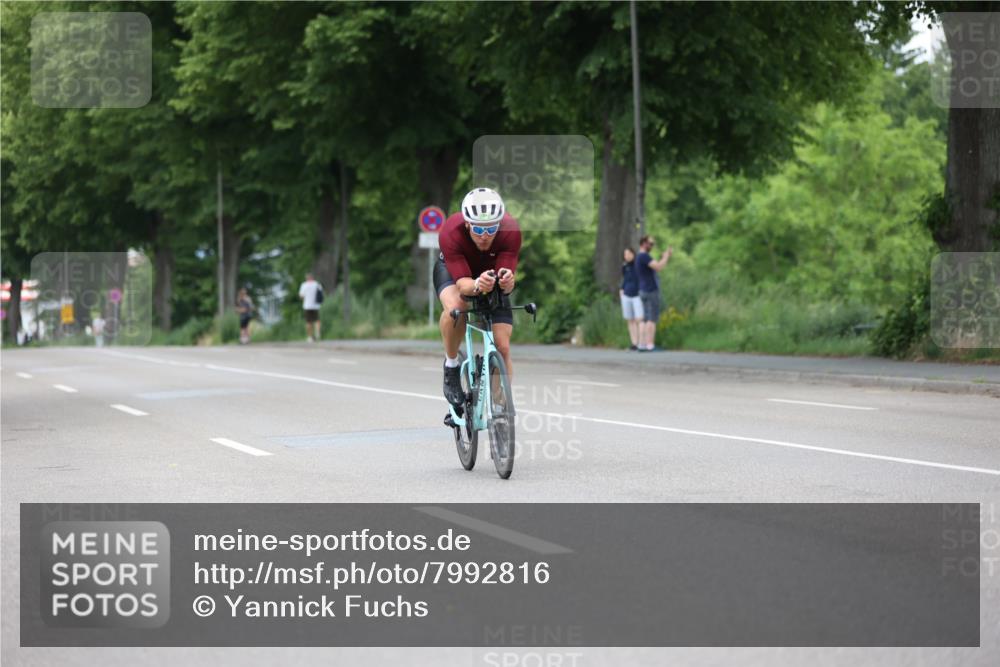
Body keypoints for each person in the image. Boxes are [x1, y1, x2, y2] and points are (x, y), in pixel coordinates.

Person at [435, 187, 521, 406]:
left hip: (490, 275)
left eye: (491, 228)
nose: (484, 236)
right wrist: (476, 284)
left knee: (503, 346)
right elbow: (463, 285)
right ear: (467, 224)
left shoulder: (510, 231)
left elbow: (507, 284)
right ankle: (452, 364)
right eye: (478, 229)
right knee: (457, 307)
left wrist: (508, 282)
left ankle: (500, 407)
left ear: (499, 224)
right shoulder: (450, 232)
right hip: (456, 273)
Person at [635, 235, 672, 352]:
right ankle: (650, 344)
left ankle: (642, 344)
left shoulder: (639, 257)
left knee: (645, 319)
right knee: (652, 318)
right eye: (650, 244)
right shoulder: (644, 256)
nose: (652, 246)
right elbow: (658, 267)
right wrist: (666, 257)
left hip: (642, 290)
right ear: (643, 243)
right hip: (650, 290)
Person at [619, 247, 643, 351]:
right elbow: (625, 279)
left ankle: (642, 343)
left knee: (639, 319)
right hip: (626, 294)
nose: (627, 256)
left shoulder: (638, 265)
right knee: (630, 320)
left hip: (637, 295)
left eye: (629, 253)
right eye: (625, 254)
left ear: (633, 254)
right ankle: (634, 343)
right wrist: (621, 289)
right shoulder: (624, 266)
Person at [298, 273, 323, 342]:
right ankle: (317, 333)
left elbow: (301, 296)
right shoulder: (317, 284)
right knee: (317, 320)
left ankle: (310, 337)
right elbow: (321, 294)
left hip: (307, 306)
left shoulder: (304, 285)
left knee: (308, 322)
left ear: (307, 278)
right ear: (313, 278)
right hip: (316, 305)